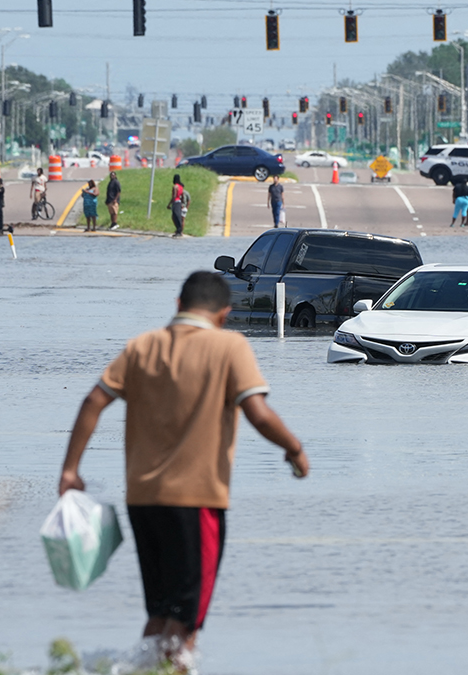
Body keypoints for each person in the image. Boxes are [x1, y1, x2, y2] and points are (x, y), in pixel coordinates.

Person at [58, 271, 308, 673]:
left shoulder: (142, 346)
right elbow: (258, 414)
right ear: (224, 315)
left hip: (142, 501)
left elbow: (93, 400)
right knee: (187, 623)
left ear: (177, 304)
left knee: (160, 615)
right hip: (197, 502)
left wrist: (70, 470)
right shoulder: (230, 347)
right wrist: (294, 449)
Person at [168, 174, 186, 238]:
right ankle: (179, 230)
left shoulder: (175, 186)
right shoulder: (181, 187)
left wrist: (169, 204)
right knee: (178, 216)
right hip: (179, 202)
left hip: (175, 202)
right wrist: (182, 203)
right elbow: (183, 196)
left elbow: (174, 196)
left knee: (175, 216)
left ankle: (178, 230)